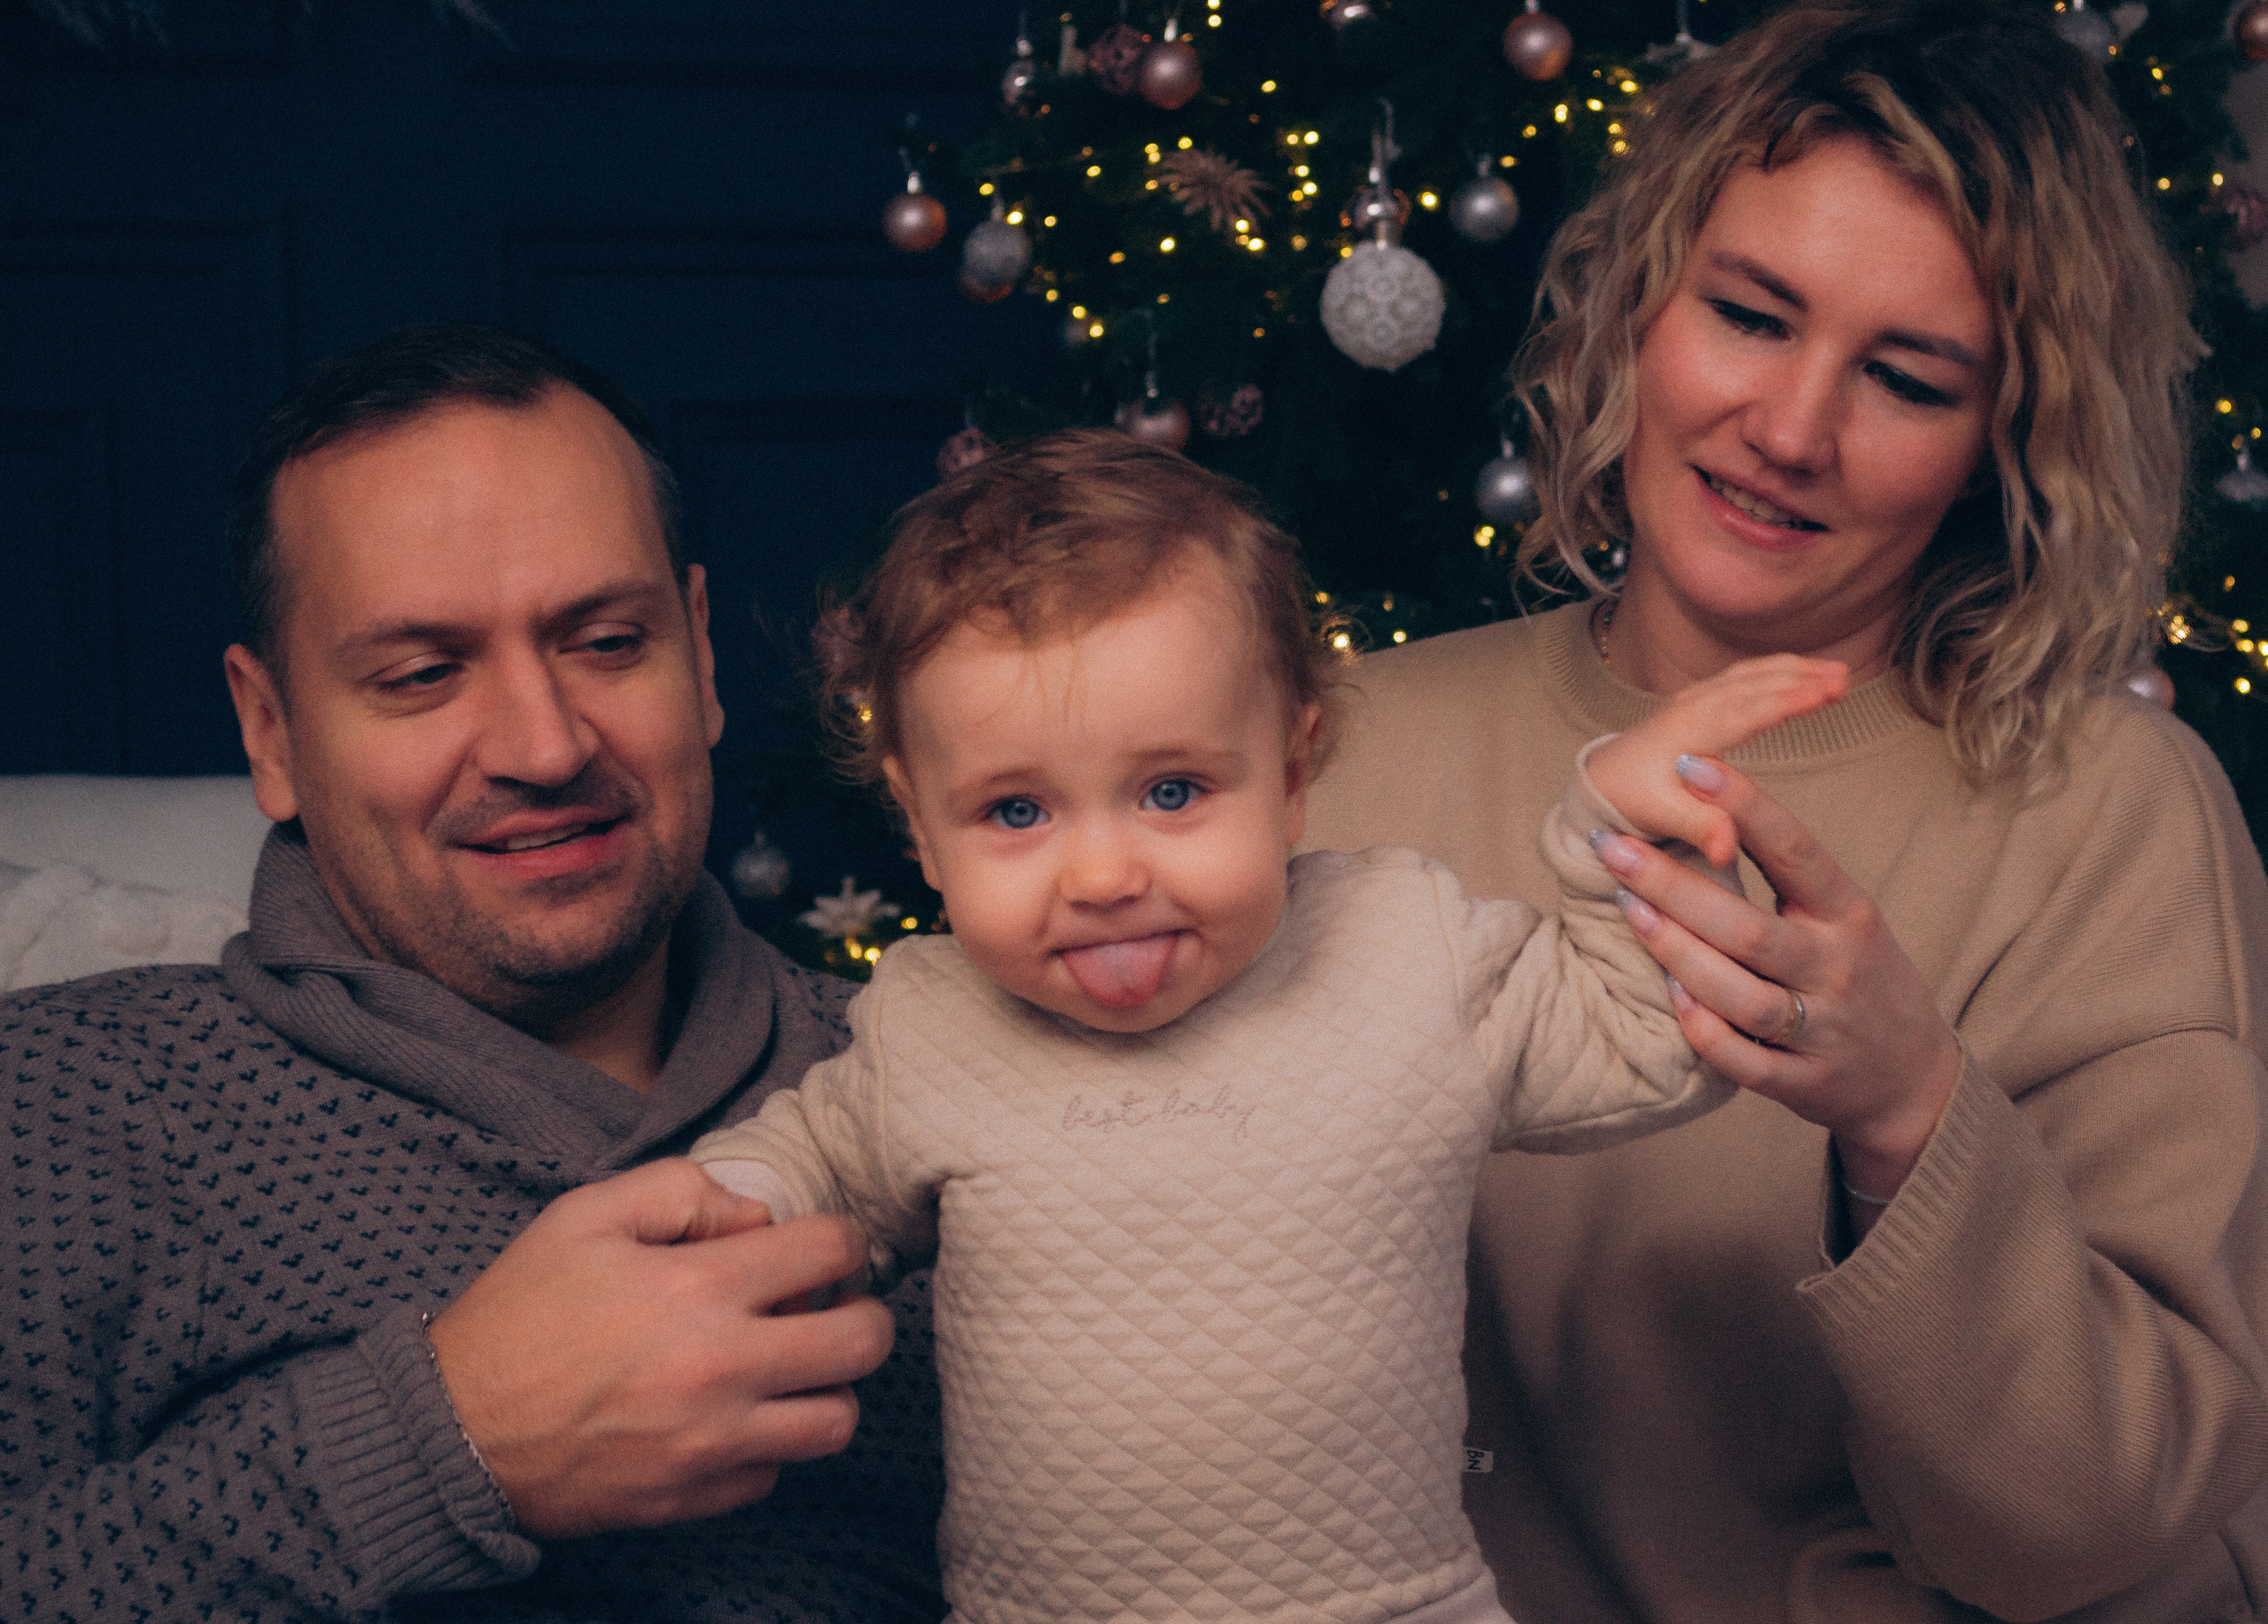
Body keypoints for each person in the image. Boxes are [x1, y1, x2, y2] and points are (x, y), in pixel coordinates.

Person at [1302, 4, 2268, 1620]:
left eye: (1905, 376)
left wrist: (1910, 1114)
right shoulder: (1344, 745)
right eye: (1753, 317)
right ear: (1637, 312)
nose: (1792, 430)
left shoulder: (2108, 810)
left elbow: (2098, 1522)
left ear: (1996, 447)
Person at [687, 430, 1849, 1624]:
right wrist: (726, 1204)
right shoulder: (930, 1025)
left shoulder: (1403, 951)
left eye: (1172, 791)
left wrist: (1623, 834)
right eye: (1017, 809)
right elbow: (807, 1165)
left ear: (1292, 774)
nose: (1100, 873)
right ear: (922, 826)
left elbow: (1642, 1040)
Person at [0, 322, 949, 1623]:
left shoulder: (946, 1077)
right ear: (270, 727)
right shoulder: (60, 1101)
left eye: (608, 642)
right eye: (423, 672)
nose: (546, 744)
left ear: (703, 653)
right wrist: (440, 1445)